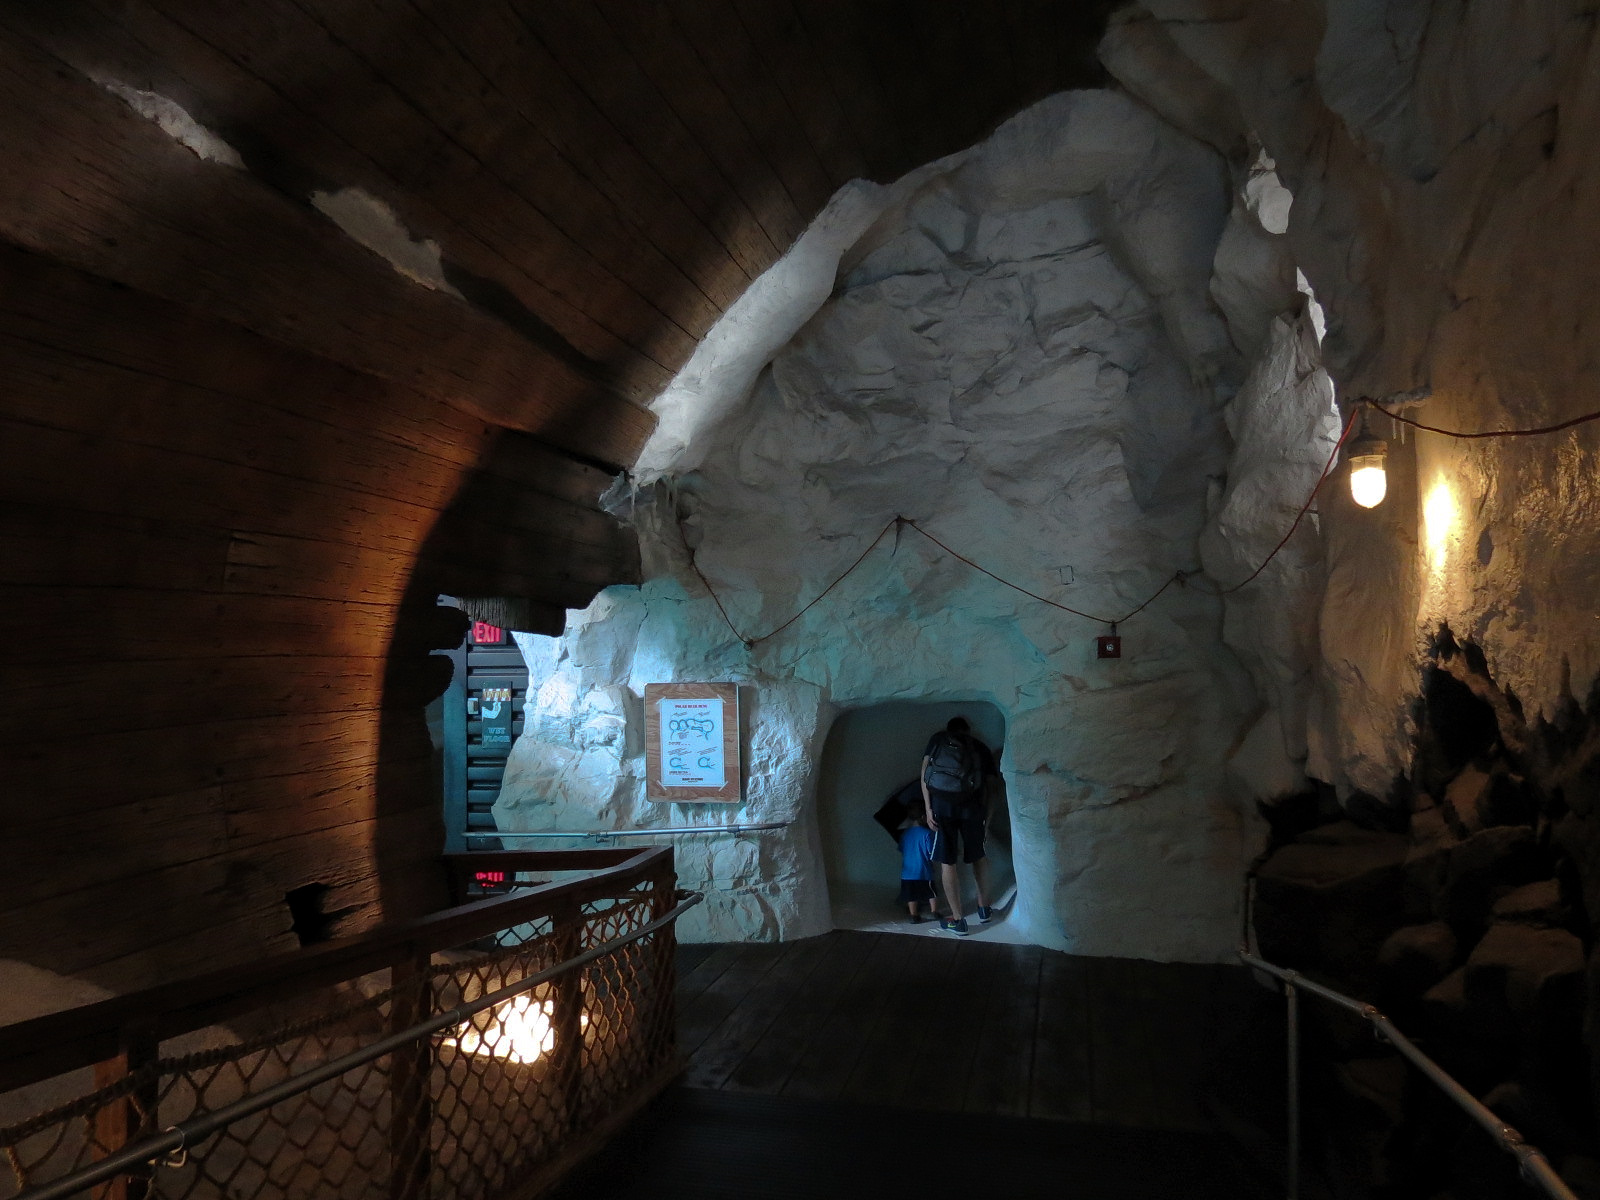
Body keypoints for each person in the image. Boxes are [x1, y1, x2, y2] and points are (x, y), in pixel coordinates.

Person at [920, 716, 997, 936]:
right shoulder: (980, 748)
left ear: (949, 730)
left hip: (941, 809)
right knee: (978, 857)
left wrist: (927, 808)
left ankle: (958, 920)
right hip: (973, 809)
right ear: (969, 730)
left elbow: (924, 773)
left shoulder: (937, 739)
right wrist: (988, 818)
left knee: (947, 862)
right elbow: (993, 787)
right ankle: (984, 909)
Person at [896, 812, 940, 923]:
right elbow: (931, 852)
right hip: (924, 871)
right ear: (923, 817)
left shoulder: (905, 834)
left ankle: (913, 915)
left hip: (907, 872)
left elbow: (902, 849)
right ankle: (934, 912)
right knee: (931, 893)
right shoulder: (927, 833)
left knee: (911, 895)